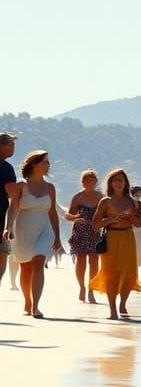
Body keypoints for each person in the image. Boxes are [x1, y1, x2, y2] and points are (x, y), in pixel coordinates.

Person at [7, 149, 64, 317]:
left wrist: (58, 235)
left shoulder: (50, 188)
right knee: (25, 267)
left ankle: (36, 306)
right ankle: (27, 301)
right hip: (23, 228)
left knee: (38, 263)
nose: (48, 165)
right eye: (45, 162)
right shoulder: (21, 186)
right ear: (34, 164)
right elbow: (13, 208)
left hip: (45, 229)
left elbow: (52, 212)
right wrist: (7, 227)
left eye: (48, 162)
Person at [89, 168, 141, 320]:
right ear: (110, 183)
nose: (118, 183)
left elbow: (139, 223)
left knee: (128, 273)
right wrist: (111, 219)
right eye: (115, 180)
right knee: (111, 274)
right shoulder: (105, 201)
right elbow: (95, 223)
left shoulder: (132, 202)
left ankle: (123, 304)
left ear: (126, 183)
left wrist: (130, 217)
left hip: (128, 237)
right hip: (111, 238)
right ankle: (113, 309)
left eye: (121, 180)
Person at [64, 169, 103, 302]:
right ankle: (82, 287)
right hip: (80, 230)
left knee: (94, 262)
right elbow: (68, 215)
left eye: (92, 180)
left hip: (95, 231)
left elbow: (106, 213)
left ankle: (91, 289)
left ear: (96, 182)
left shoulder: (101, 196)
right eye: (86, 180)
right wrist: (75, 217)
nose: (89, 183)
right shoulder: (78, 197)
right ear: (82, 182)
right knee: (81, 262)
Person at [0, 131, 18, 287]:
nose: (13, 148)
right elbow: (14, 199)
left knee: (2, 257)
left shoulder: (6, 168)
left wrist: (8, 226)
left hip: (1, 224)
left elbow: (13, 200)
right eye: (11, 145)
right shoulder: (6, 168)